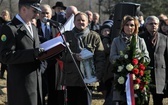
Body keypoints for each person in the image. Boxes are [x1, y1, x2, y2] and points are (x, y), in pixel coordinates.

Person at [0, 0, 44, 105]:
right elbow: (5, 56)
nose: (37, 15)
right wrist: (33, 54)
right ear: (24, 9)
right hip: (21, 85)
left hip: (36, 82)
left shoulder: (33, 27)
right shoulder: (10, 28)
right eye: (34, 11)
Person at [61, 12, 105, 105]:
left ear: (88, 22)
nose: (80, 22)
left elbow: (100, 57)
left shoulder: (94, 36)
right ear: (74, 22)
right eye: (78, 20)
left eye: (83, 20)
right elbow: (61, 55)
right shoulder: (66, 36)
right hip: (71, 79)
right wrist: (74, 56)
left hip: (88, 78)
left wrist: (98, 74)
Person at [109, 15, 150, 105]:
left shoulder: (140, 41)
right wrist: (124, 59)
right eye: (127, 25)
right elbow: (112, 58)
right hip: (121, 78)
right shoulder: (116, 41)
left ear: (136, 27)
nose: (129, 27)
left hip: (137, 79)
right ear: (123, 26)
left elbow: (147, 58)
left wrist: (137, 59)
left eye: (132, 25)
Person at [139, 16, 168, 105]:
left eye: (155, 24)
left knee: (158, 101)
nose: (153, 25)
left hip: (160, 74)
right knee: (144, 100)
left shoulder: (165, 38)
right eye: (151, 24)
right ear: (146, 25)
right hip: (144, 74)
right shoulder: (140, 38)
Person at [0, 10, 11, 79]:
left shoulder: (10, 23)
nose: (4, 16)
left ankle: (3, 73)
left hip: (6, 44)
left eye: (5, 15)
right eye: (2, 14)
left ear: (8, 16)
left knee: (5, 60)